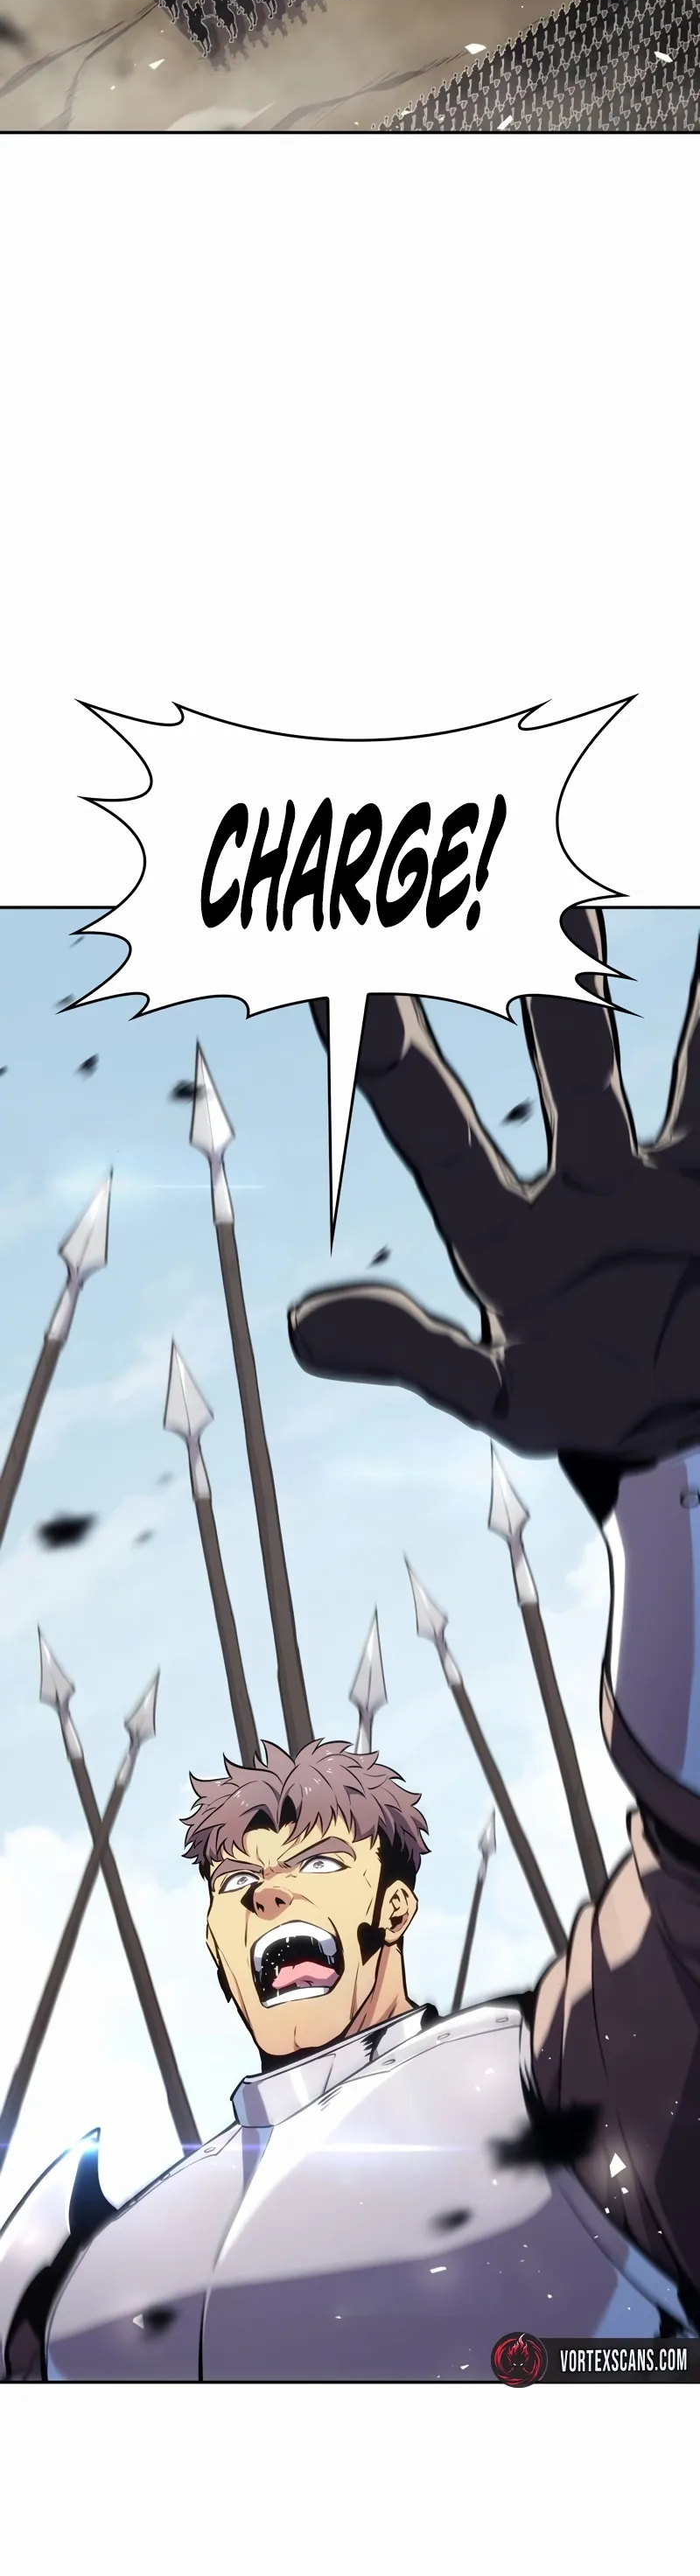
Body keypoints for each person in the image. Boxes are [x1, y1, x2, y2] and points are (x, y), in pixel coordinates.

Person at [1, 921, 698, 2377]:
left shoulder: (547, 2090)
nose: (265, 1896)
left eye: (314, 1860)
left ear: (396, 1903)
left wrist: (672, 1469)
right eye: (237, 1883)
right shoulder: (86, 2267)